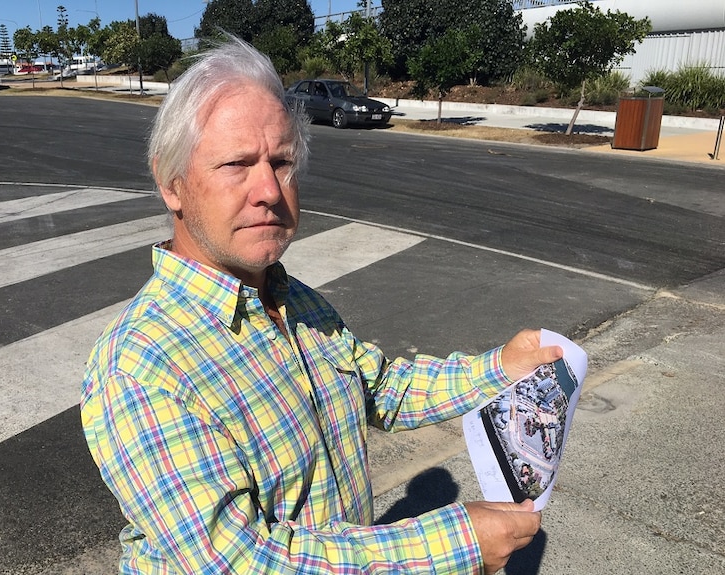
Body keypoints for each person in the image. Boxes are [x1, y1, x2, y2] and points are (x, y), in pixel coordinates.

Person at [81, 36, 563, 575]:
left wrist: (501, 368)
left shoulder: (296, 302)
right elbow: (239, 560)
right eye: (237, 163)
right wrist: (454, 544)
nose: (269, 189)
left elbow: (382, 389)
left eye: (282, 162)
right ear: (172, 184)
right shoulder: (143, 365)